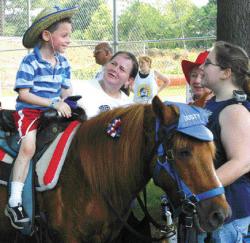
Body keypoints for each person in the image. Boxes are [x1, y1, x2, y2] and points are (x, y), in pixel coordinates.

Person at [4, 6, 78, 229]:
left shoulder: (64, 63)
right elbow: (24, 93)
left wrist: (71, 101)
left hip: (53, 110)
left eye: (69, 36)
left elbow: (66, 90)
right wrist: (53, 102)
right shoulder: (30, 62)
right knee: (28, 148)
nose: (69, 40)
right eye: (64, 35)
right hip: (30, 111)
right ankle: (14, 201)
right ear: (47, 36)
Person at [198, 41, 250, 242]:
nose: (202, 67)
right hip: (214, 211)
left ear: (225, 73)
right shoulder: (213, 103)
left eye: (208, 63)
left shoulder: (234, 111)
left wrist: (197, 190)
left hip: (228, 215)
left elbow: (242, 162)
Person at [78, 51, 138, 118]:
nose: (115, 69)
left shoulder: (128, 108)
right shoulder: (80, 87)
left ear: (129, 80)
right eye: (113, 64)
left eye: (122, 69)